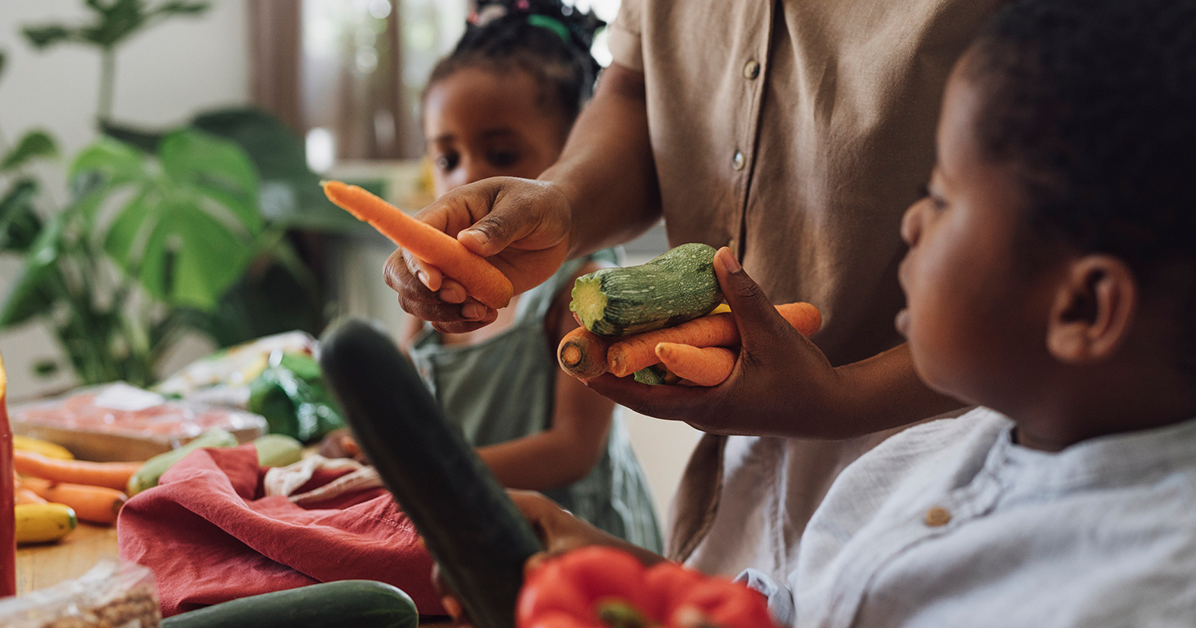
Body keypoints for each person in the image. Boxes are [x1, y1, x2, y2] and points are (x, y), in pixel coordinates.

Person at [441, 0, 1196, 623]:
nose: (911, 222)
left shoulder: (1142, 593)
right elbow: (788, 612)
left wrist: (843, 399)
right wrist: (614, 574)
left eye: (942, 198)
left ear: (1087, 305)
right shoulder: (913, 468)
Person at [384, 0, 1005, 581]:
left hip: (954, 461)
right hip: (735, 480)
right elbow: (634, 89)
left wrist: (843, 401)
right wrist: (561, 201)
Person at [395, 0, 662, 552]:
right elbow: (399, 401)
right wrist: (361, 441)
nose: (468, 176)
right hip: (481, 537)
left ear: (571, 156)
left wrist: (423, 473)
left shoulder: (581, 288)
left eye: (500, 152)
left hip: (578, 549)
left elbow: (572, 448)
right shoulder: (434, 292)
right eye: (447, 159)